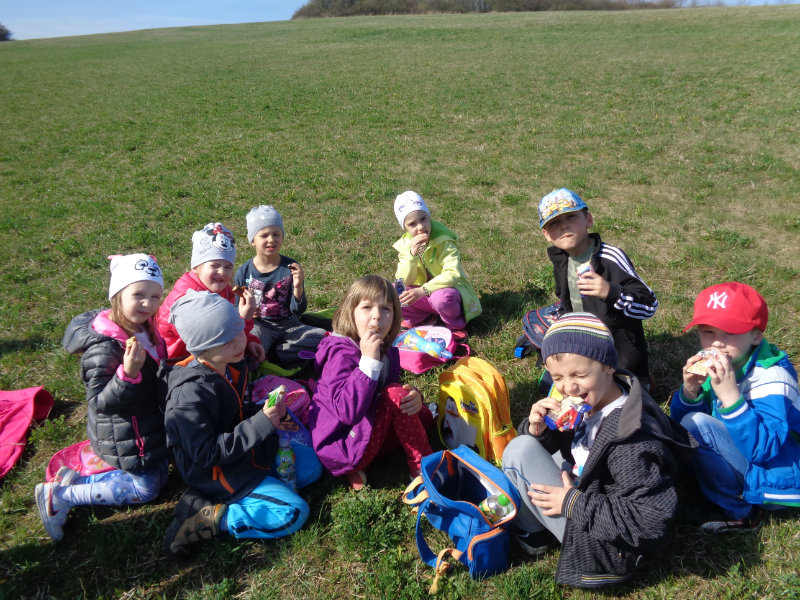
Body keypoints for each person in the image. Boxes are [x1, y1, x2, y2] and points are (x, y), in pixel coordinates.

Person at [502, 313, 695, 588]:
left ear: (608, 365)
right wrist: (540, 430)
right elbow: (572, 444)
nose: (568, 387)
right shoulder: (601, 396)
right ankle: (541, 519)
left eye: (579, 375)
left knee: (519, 451)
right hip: (590, 488)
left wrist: (573, 503)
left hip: (609, 548)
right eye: (557, 377)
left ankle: (534, 535)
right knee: (529, 442)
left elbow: (651, 519)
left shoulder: (629, 439)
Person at [162, 290, 322, 557]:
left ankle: (258, 488)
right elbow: (206, 454)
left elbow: (238, 410)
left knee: (311, 470)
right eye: (226, 341)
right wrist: (262, 422)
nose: (239, 342)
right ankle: (211, 516)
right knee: (293, 512)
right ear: (202, 347)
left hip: (242, 451)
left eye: (239, 332)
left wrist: (268, 413)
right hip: (216, 472)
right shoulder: (188, 396)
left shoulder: (231, 364)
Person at [35, 253, 170, 542]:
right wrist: (127, 374)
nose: (148, 303)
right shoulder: (104, 350)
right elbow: (100, 403)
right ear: (117, 295)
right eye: (138, 294)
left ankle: (79, 480)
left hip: (147, 426)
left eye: (155, 296)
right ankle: (61, 495)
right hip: (128, 435)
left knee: (163, 477)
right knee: (147, 490)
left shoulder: (144, 327)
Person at [670, 282, 800, 531]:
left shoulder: (772, 378)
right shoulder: (721, 364)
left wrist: (731, 399)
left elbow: (765, 448)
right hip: (746, 459)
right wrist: (690, 392)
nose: (717, 343)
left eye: (729, 332)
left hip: (774, 479)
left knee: (696, 424)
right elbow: (681, 427)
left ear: (756, 336)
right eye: (708, 332)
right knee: (690, 424)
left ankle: (738, 511)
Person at [307, 275, 433, 489]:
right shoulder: (341, 354)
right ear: (351, 313)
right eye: (367, 307)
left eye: (386, 309)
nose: (377, 316)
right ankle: (423, 470)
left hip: (369, 431)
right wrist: (368, 362)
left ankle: (363, 464)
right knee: (398, 398)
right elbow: (347, 413)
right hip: (341, 445)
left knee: (418, 411)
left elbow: (389, 393)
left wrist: (414, 396)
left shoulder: (388, 349)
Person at [537, 188, 657, 384]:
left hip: (621, 358)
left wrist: (611, 292)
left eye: (571, 217)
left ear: (588, 219)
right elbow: (567, 302)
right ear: (547, 234)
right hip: (586, 349)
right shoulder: (561, 261)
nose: (564, 226)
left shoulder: (610, 258)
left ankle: (642, 381)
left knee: (624, 398)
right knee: (552, 386)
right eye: (554, 223)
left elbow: (649, 306)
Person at [157, 222, 264, 364]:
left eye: (228, 267)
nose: (222, 272)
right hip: (180, 363)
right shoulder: (188, 301)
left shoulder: (223, 290)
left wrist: (250, 341)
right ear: (196, 267)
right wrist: (245, 317)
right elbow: (217, 341)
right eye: (214, 265)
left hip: (207, 355)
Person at [234, 205, 325, 368]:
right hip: (260, 326)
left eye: (276, 234)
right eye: (264, 235)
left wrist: (298, 286)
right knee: (246, 350)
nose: (271, 239)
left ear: (282, 237)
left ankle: (278, 352)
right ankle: (279, 353)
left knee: (323, 338)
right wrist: (247, 313)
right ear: (253, 241)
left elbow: (298, 310)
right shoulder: (244, 272)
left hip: (290, 326)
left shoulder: (290, 267)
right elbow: (235, 308)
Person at [392, 191, 481, 341]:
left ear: (429, 217)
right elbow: (403, 280)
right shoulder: (406, 245)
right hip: (423, 297)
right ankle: (422, 318)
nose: (420, 227)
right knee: (395, 291)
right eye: (412, 224)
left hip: (448, 294)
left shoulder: (443, 240)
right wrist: (412, 255)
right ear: (405, 228)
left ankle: (455, 325)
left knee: (441, 298)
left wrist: (423, 290)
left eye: (423, 219)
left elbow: (453, 273)